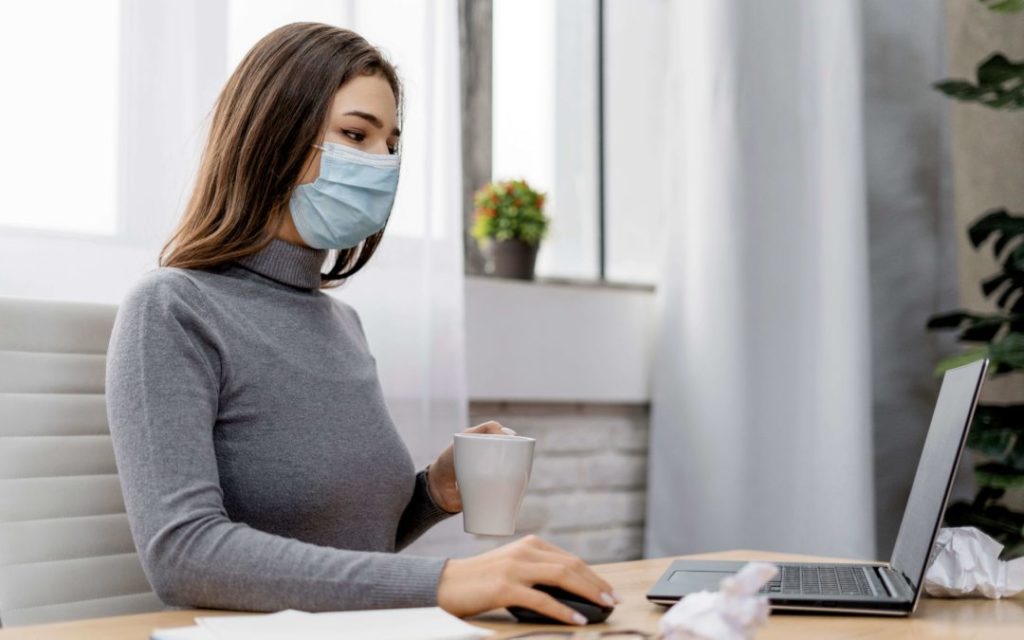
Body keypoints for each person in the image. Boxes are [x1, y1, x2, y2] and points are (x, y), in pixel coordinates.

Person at [105, 22, 620, 626]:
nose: (383, 164)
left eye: (390, 144)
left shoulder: (341, 322)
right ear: (272, 137)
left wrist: (432, 496)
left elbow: (348, 551)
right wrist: (447, 580)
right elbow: (183, 555)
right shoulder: (173, 308)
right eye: (356, 134)